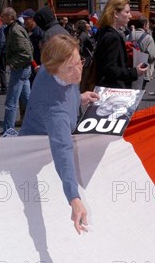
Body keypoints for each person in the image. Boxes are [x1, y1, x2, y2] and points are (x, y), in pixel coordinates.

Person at [19, 34, 99, 234]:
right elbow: (63, 150)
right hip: (35, 153)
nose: (78, 71)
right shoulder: (56, 112)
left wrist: (79, 98)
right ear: (54, 68)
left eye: (78, 61)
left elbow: (65, 89)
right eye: (70, 68)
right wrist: (74, 198)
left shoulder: (52, 67)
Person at [93, 0, 147, 89]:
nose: (130, 15)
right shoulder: (112, 37)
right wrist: (134, 72)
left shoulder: (105, 32)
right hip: (112, 90)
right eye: (127, 12)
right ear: (116, 14)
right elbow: (110, 70)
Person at [0, 7, 33, 133]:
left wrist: (14, 64)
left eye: (3, 16)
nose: (1, 18)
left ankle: (8, 131)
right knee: (28, 101)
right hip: (23, 68)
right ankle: (41, 123)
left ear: (10, 17)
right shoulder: (14, 28)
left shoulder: (15, 30)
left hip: (20, 69)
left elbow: (27, 52)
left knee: (11, 102)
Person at [128, 16, 155, 87]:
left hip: (129, 68)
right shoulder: (148, 38)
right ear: (144, 25)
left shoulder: (128, 36)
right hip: (143, 68)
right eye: (148, 25)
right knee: (140, 91)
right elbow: (152, 56)